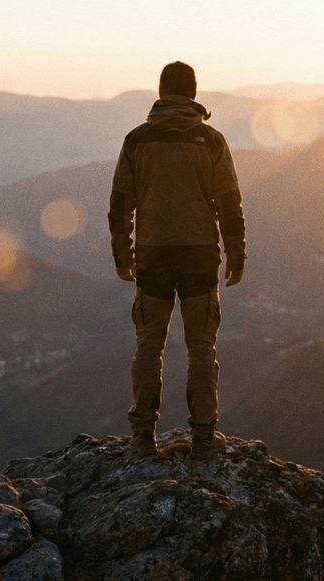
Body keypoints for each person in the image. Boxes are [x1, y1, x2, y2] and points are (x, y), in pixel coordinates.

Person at [108, 61, 246, 460]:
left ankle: (142, 440)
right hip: (201, 257)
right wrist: (236, 253)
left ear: (161, 90)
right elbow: (229, 202)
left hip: (152, 255)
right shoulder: (212, 141)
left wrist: (122, 254)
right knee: (201, 348)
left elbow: (120, 203)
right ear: (194, 93)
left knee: (149, 345)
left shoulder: (137, 141)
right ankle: (203, 438)